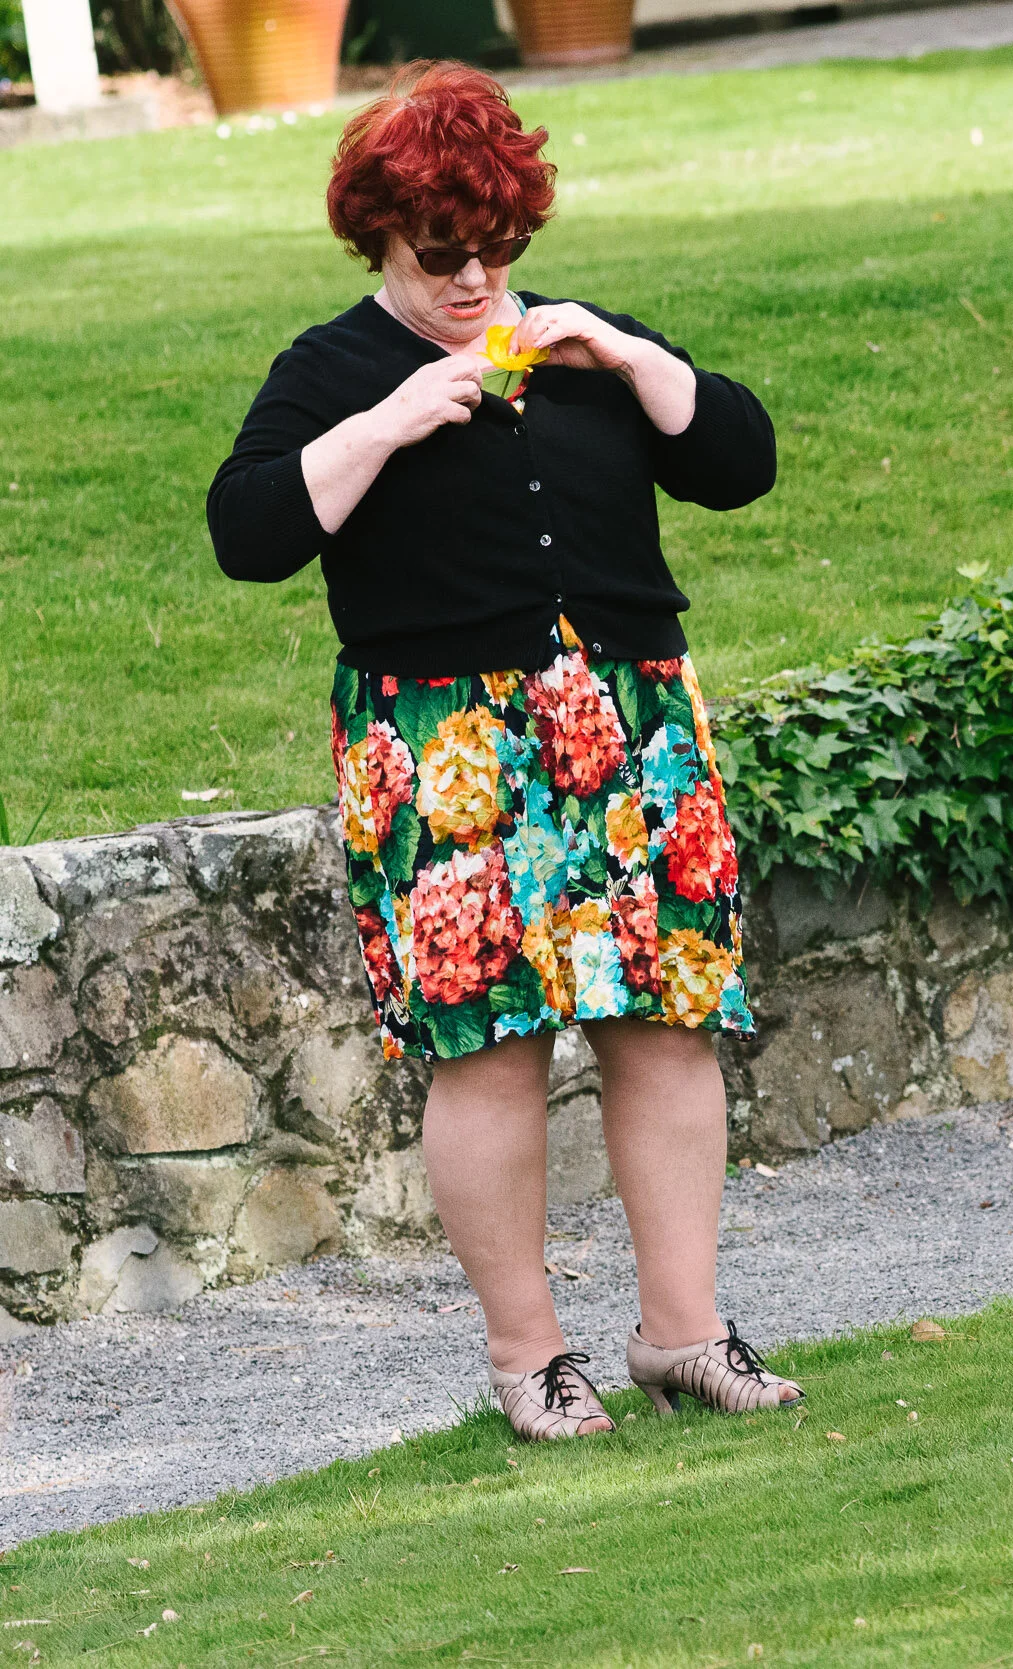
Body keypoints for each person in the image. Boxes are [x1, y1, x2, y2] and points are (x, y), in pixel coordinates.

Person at [206, 61, 801, 1439]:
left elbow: (740, 461)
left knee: (666, 1022)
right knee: (490, 1045)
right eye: (441, 256)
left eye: (500, 249)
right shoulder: (332, 368)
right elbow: (249, 534)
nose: (477, 278)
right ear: (380, 239)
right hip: (445, 743)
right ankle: (530, 1356)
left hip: (634, 723)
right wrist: (395, 418)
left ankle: (684, 1334)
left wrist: (638, 359)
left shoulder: (582, 346)